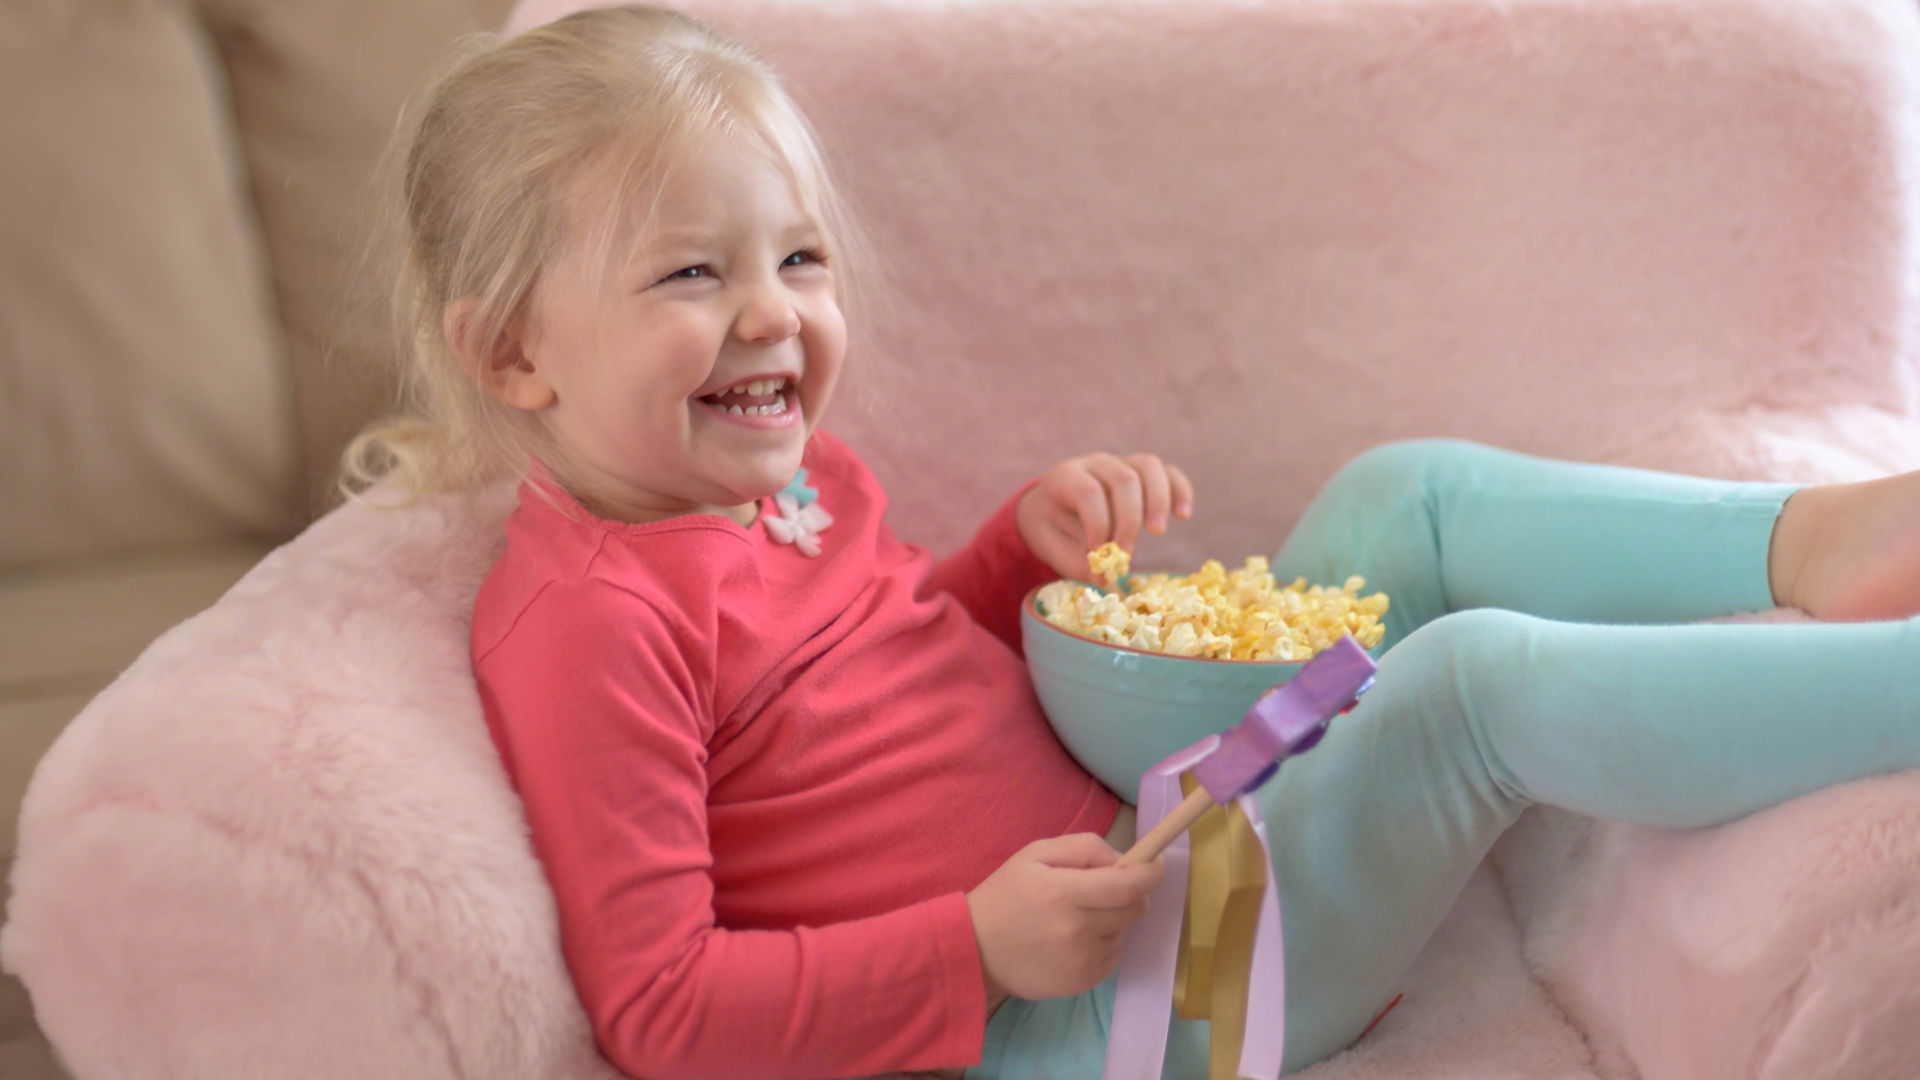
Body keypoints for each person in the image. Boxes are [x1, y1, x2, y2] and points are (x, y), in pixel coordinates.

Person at [343, 5, 1920, 1078]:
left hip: (1179, 831)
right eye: (692, 275)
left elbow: (884, 685)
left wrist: (1011, 564)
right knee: (1467, 687)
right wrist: (973, 950)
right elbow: (661, 1009)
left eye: (800, 256)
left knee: (1403, 500)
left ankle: (1815, 545)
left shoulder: (779, 482)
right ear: (512, 357)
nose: (776, 313)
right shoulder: (592, 625)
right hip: (1139, 1004)